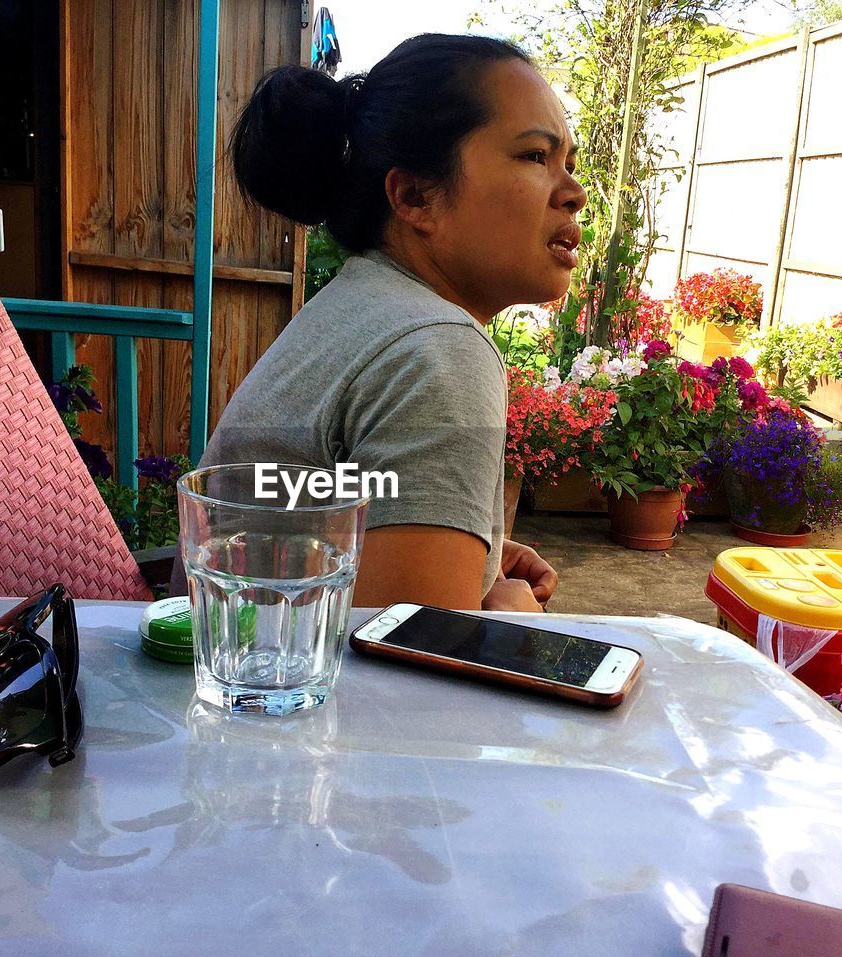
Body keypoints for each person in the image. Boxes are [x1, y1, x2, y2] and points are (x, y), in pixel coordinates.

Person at [171, 33, 586, 612]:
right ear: (416, 196)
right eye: (535, 156)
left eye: (568, 162)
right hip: (277, 694)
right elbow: (414, 677)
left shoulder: (362, 306)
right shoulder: (437, 349)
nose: (574, 193)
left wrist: (469, 555)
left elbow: (311, 513)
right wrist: (511, 615)